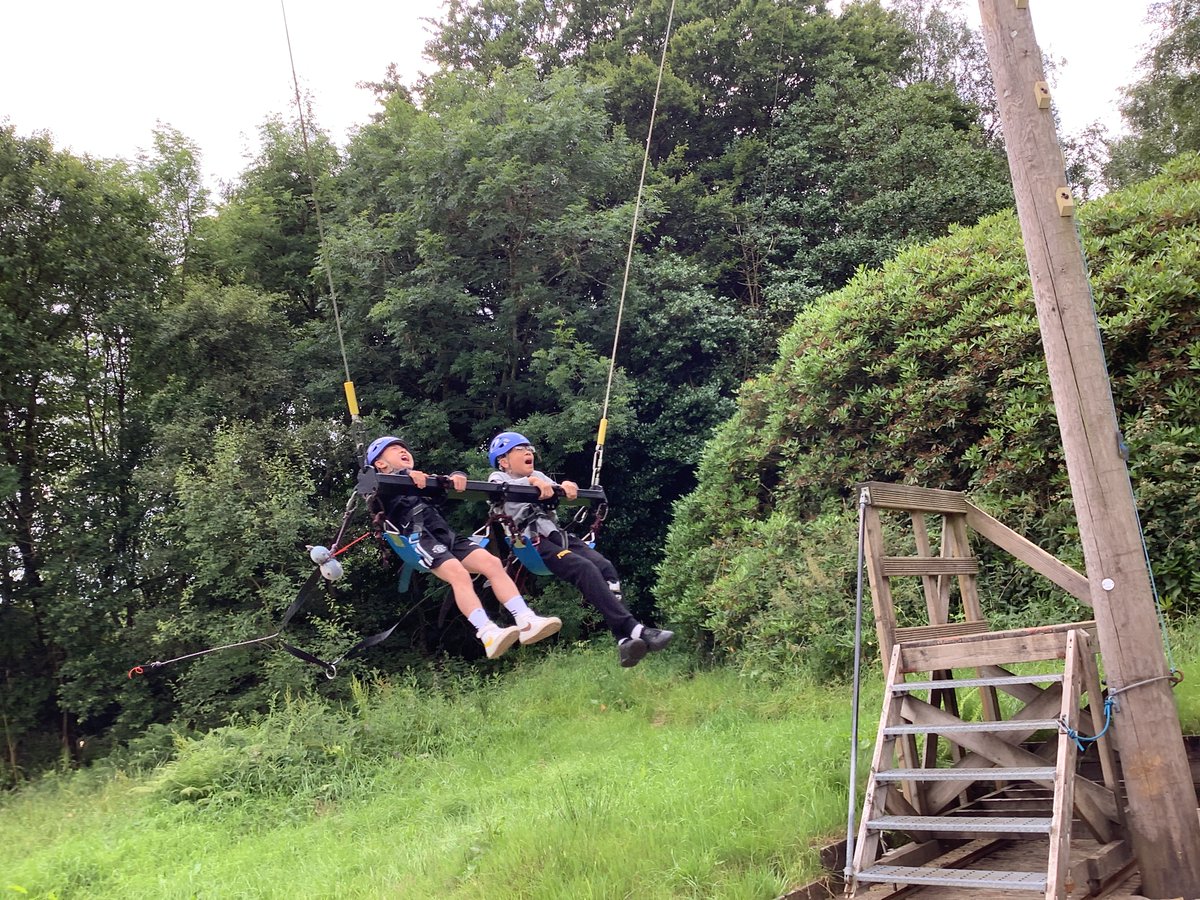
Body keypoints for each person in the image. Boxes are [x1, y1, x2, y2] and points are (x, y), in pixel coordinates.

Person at [486, 431, 673, 668]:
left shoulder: (538, 476)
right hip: (531, 541)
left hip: (556, 536)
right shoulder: (498, 477)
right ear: (503, 461)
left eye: (529, 448)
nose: (528, 452)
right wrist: (531, 483)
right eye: (519, 449)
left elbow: (554, 487)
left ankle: (624, 639)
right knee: (584, 568)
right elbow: (500, 489)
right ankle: (636, 629)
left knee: (605, 568)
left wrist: (566, 487)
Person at [366, 435, 562, 659]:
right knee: (458, 574)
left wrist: (457, 477)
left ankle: (526, 620)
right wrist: (406, 475)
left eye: (404, 448)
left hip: (445, 535)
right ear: (380, 463)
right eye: (394, 449)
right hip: (417, 538)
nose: (403, 451)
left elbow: (443, 484)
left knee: (492, 563)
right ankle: (487, 632)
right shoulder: (381, 486)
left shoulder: (421, 481)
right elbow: (374, 495)